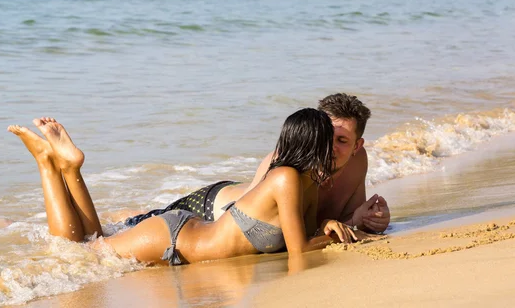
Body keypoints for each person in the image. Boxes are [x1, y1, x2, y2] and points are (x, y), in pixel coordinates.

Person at [8, 109, 356, 266]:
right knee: (77, 250)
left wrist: (327, 227)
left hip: (187, 232)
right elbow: (299, 250)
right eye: (331, 139)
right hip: (172, 239)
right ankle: (48, 165)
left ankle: (70, 168)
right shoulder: (286, 178)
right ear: (315, 144)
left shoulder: (307, 182)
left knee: (90, 243)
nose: (335, 147)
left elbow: (304, 237)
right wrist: (343, 234)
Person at [126, 94, 391, 234]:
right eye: (326, 136)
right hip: (211, 209)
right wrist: (348, 222)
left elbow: (341, 221)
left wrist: (367, 219)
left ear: (358, 146)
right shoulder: (287, 163)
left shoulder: (358, 163)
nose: (330, 147)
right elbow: (276, 227)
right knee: (123, 228)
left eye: (343, 140)